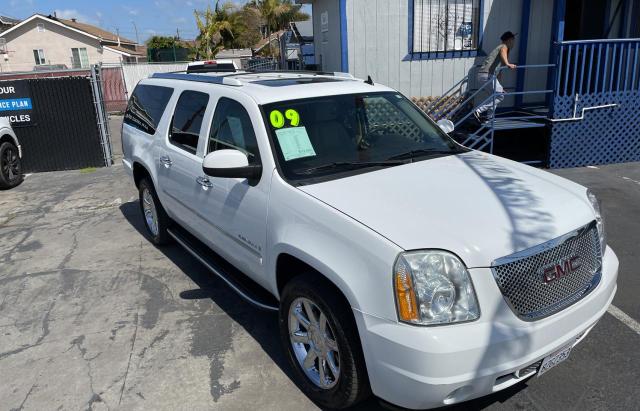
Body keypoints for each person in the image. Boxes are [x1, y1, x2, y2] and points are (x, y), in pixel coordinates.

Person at [474, 31, 517, 122]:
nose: (513, 43)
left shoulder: (502, 50)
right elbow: (502, 52)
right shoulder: (503, 47)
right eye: (513, 40)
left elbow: (499, 71)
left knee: (495, 96)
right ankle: (478, 110)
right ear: (509, 40)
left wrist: (500, 86)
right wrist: (507, 64)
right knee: (500, 96)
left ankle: (489, 118)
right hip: (487, 74)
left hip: (485, 75)